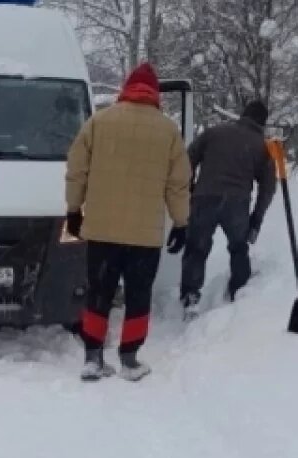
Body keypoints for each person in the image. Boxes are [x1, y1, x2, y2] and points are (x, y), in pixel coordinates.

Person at [65, 63, 191, 381]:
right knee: (138, 296)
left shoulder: (99, 122)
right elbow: (178, 183)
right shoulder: (168, 131)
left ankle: (93, 357)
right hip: (144, 238)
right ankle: (131, 360)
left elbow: (76, 168)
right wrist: (181, 222)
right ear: (155, 93)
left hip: (102, 231)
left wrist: (73, 210)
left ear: (126, 88)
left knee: (99, 292)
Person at [179, 99, 276, 311]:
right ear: (262, 123)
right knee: (238, 248)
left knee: (196, 248)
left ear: (243, 115)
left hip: (204, 199)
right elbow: (268, 188)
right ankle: (239, 292)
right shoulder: (262, 146)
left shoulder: (214, 133)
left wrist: (189, 189)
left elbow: (186, 160)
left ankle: (190, 296)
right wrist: (255, 221)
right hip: (237, 204)